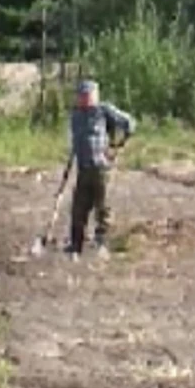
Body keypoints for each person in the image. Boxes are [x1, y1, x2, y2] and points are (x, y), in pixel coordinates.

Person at [65, 79, 134, 257]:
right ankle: (75, 245)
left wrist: (119, 144)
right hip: (83, 168)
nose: (84, 99)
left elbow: (128, 122)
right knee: (78, 208)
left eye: (88, 95)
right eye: (81, 95)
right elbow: (75, 140)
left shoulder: (103, 110)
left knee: (102, 207)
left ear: (94, 96)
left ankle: (102, 243)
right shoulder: (76, 115)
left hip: (101, 167)